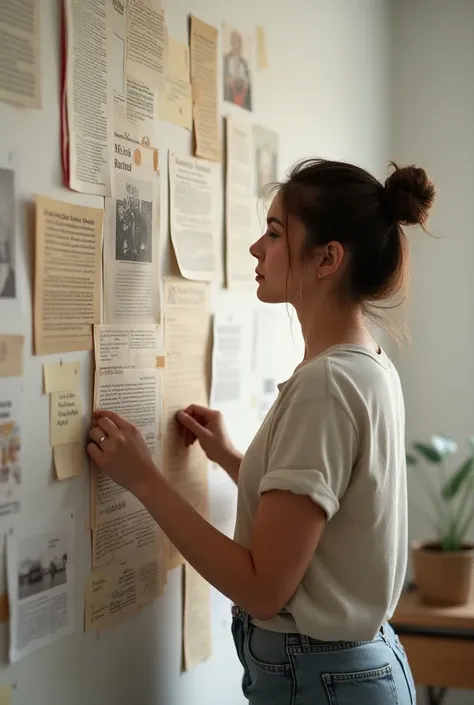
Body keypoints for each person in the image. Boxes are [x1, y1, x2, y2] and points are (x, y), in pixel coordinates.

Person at [87, 158, 436, 704]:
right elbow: (324, 517)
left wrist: (145, 480)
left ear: (328, 258)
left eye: (274, 233)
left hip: (323, 681)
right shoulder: (367, 364)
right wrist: (232, 457)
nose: (256, 248)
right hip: (350, 671)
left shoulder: (327, 384)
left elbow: (262, 588)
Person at [223, 30, 252, 110]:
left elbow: (248, 86)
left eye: (240, 42)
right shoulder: (225, 60)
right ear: (232, 43)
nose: (239, 45)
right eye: (237, 41)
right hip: (230, 99)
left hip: (242, 102)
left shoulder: (244, 64)